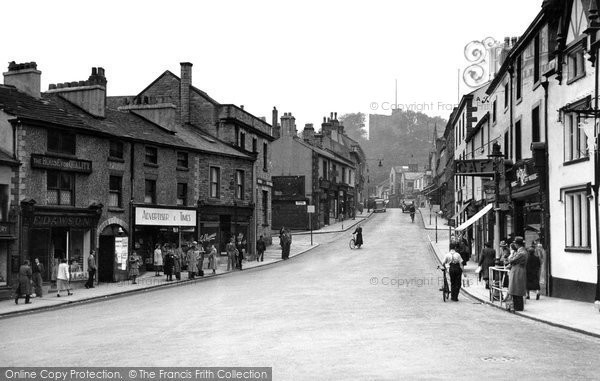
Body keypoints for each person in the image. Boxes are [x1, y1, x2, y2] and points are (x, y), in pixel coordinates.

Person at [506, 236, 528, 311]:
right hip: (517, 271)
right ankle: (516, 306)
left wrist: (511, 253)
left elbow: (511, 260)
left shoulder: (521, 253)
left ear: (517, 244)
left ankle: (518, 307)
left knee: (516, 289)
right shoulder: (520, 252)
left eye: (515, 243)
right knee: (515, 289)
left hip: (518, 272)